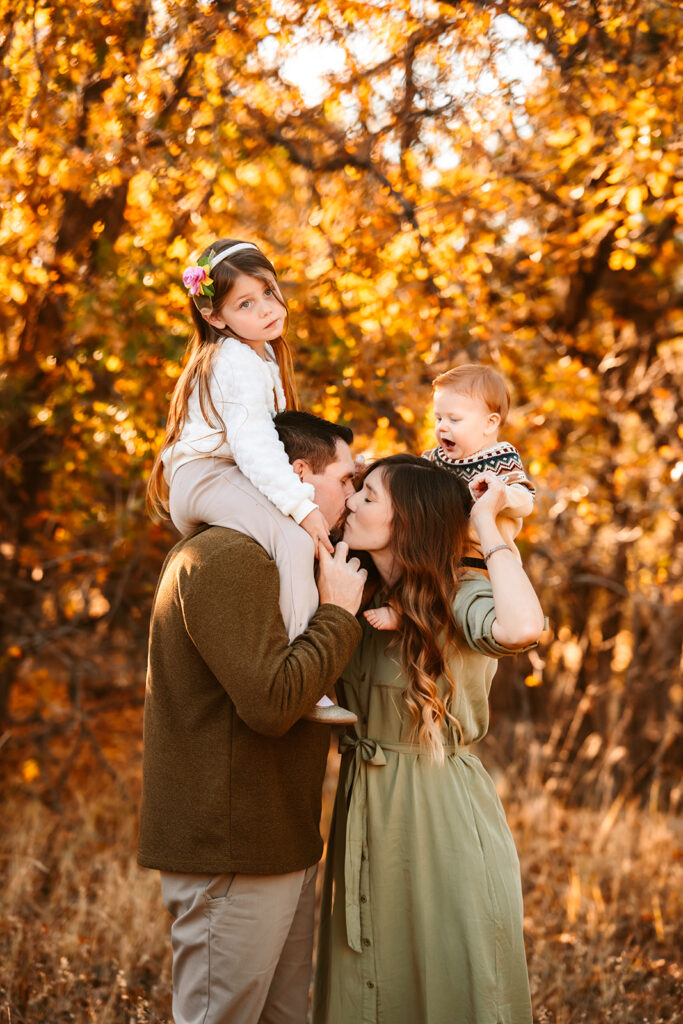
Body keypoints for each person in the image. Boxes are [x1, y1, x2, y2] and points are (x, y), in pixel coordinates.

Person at [138, 410, 367, 1024]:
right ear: (299, 473)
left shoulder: (283, 559)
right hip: (229, 850)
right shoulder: (226, 557)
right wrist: (339, 614)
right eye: (347, 479)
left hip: (279, 840)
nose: (353, 492)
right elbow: (272, 703)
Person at [313, 454, 545, 1024]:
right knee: (365, 982)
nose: (351, 503)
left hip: (439, 810)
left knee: (448, 980)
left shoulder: (459, 592)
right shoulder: (354, 589)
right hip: (363, 803)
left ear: (408, 521)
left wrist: (488, 527)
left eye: (368, 497)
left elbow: (520, 629)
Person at [146, 236, 353, 723]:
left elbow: (272, 438)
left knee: (288, 531)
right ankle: (309, 677)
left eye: (268, 292)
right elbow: (256, 446)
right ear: (215, 317)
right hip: (207, 477)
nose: (265, 309)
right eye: (245, 303)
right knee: (292, 537)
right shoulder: (235, 360)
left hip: (216, 474)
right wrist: (302, 509)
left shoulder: (257, 357)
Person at [366, 363, 535, 631]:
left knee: (450, 584)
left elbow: (525, 501)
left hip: (479, 555)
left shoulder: (501, 458)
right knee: (409, 556)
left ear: (489, 424)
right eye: (438, 418)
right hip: (440, 545)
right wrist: (372, 472)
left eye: (454, 420)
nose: (443, 427)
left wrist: (501, 494)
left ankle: (409, 615)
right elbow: (407, 480)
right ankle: (401, 609)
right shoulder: (437, 457)